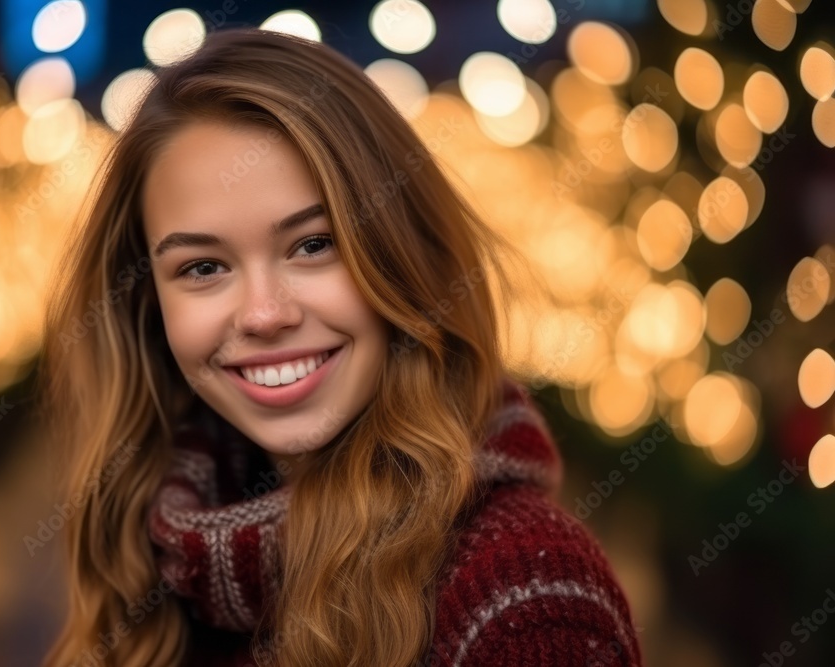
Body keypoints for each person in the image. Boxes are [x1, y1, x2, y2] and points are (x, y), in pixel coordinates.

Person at [40, 27, 643, 667]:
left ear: (405, 254)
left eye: (313, 245)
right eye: (202, 268)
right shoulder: (153, 558)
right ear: (148, 305)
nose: (265, 314)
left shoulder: (524, 600)